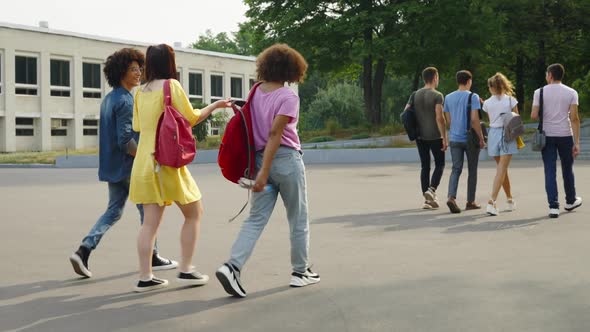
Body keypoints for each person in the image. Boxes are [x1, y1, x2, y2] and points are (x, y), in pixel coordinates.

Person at [215, 44, 319, 298]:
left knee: (255, 219)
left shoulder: (255, 92)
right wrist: (264, 174)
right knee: (298, 217)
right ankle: (300, 272)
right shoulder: (288, 96)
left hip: (260, 160)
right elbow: (276, 133)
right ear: (292, 69)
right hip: (285, 161)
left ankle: (232, 266)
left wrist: (261, 171)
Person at [130, 44, 230, 292]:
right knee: (194, 213)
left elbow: (138, 126)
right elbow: (192, 117)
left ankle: (145, 277)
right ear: (170, 63)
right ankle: (185, 269)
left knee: (149, 223)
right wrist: (216, 105)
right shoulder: (171, 86)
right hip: (166, 162)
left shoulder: (139, 92)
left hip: (143, 162)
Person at [69, 48, 176, 278]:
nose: (139, 73)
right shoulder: (127, 100)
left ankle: (84, 249)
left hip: (112, 166)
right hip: (130, 166)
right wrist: (146, 159)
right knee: (148, 212)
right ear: (121, 72)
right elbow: (125, 139)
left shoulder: (109, 99)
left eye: (140, 68)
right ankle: (153, 257)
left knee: (114, 211)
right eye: (133, 69)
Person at [531, 63, 582, 218]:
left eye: (547, 74)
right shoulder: (571, 92)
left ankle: (553, 206)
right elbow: (574, 118)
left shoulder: (539, 92)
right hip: (565, 135)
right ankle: (570, 200)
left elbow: (533, 115)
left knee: (550, 170)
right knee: (567, 168)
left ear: (550, 75)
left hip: (547, 136)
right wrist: (577, 142)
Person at [443, 70, 485, 213]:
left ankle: (451, 197)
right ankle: (470, 201)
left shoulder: (448, 97)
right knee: (472, 170)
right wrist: (480, 138)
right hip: (469, 139)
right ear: (468, 81)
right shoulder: (473, 97)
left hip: (454, 138)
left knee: (456, 169)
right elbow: (474, 120)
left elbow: (448, 120)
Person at [405, 67, 447, 209]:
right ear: (435, 77)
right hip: (435, 135)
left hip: (420, 136)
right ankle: (432, 189)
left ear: (424, 78)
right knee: (440, 164)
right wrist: (445, 137)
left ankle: (427, 201)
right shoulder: (438, 95)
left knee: (425, 166)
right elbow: (440, 118)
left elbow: (406, 112)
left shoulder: (414, 94)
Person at [482, 73, 519, 216]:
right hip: (507, 134)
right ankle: (492, 202)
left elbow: (490, 118)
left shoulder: (486, 103)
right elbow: (516, 119)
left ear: (492, 87)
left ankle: (510, 200)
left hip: (493, 135)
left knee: (501, 169)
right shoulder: (511, 100)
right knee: (502, 169)